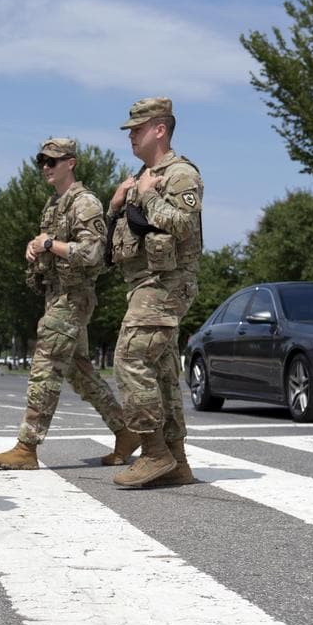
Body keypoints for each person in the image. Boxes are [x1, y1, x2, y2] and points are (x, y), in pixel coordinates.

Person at [0, 138, 140, 471]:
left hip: (72, 298)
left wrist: (50, 244)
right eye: (42, 161)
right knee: (80, 373)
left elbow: (93, 254)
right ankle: (125, 430)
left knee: (45, 368)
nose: (45, 167)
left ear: (71, 163)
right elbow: (50, 244)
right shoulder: (54, 204)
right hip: (56, 295)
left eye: (52, 161)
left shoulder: (84, 203)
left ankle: (26, 447)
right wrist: (35, 246)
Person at [106, 97, 202, 489]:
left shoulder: (179, 175)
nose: (131, 135)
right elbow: (118, 244)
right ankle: (176, 462)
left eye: (138, 128)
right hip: (143, 284)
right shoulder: (141, 176)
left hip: (167, 284)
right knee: (161, 373)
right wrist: (114, 207)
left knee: (129, 359)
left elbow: (181, 223)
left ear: (160, 129)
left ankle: (153, 451)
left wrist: (146, 195)